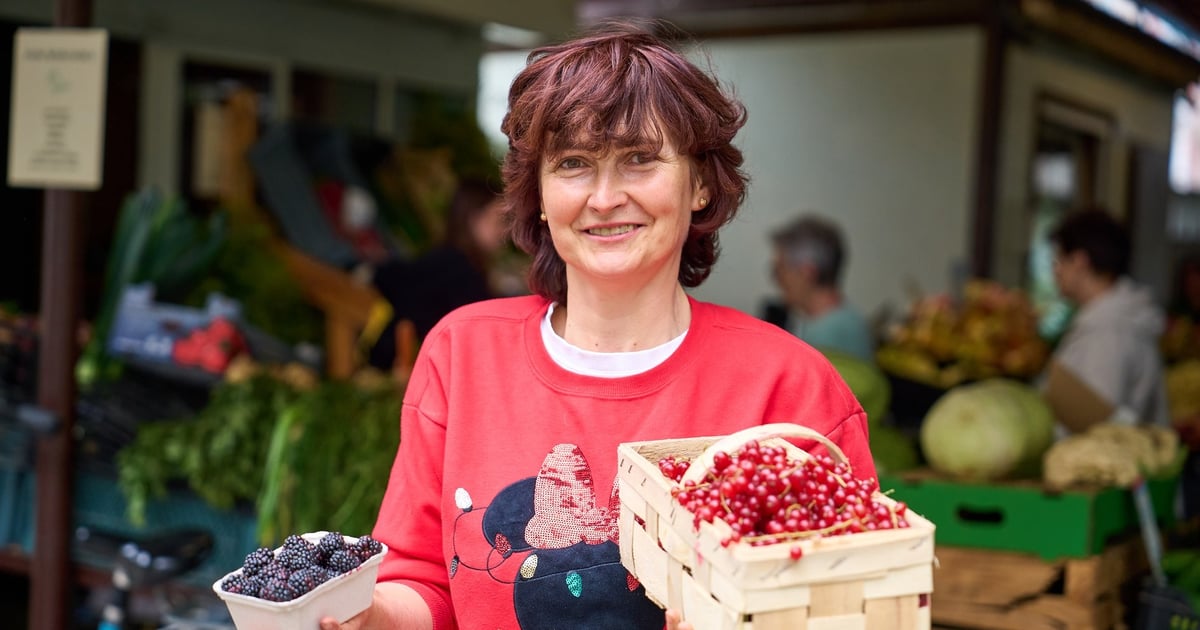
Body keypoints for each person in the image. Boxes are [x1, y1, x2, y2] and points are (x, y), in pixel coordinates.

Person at [321, 22, 875, 630]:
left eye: (640, 159)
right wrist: (359, 616)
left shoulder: (790, 388)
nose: (605, 197)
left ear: (700, 184)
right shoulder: (461, 353)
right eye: (574, 164)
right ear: (536, 193)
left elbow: (850, 608)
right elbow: (423, 582)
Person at [366, 178, 509, 370]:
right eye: (498, 220)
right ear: (473, 219)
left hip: (402, 357)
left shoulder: (451, 258)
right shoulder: (459, 267)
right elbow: (482, 330)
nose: (505, 230)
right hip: (401, 363)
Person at [1046, 208, 1170, 428]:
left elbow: (1098, 420)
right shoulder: (1114, 319)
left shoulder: (1110, 331)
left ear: (1079, 261)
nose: (1055, 271)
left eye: (1059, 260)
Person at [766, 214, 874, 361]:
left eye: (780, 269)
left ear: (807, 273)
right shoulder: (850, 319)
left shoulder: (824, 336)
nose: (775, 279)